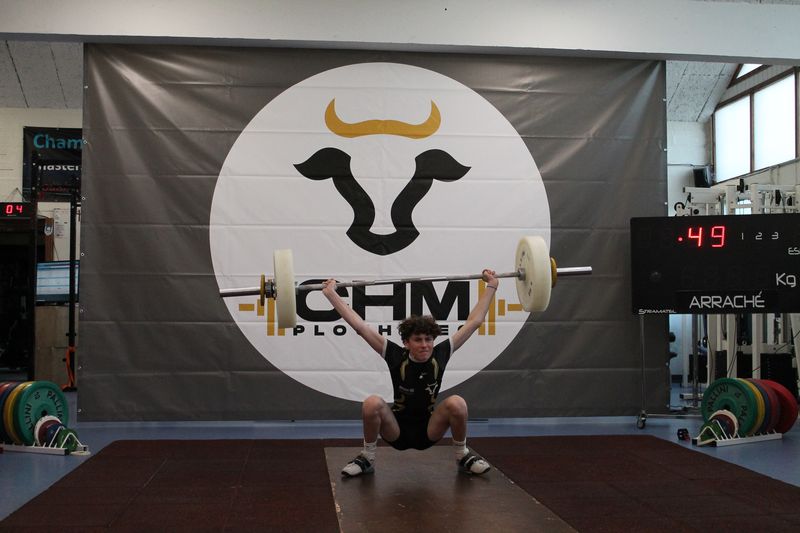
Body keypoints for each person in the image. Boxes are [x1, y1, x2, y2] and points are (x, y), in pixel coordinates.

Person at [321, 269, 500, 477]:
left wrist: (492, 286)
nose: (424, 345)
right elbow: (360, 327)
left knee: (457, 403)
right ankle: (367, 457)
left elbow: (474, 322)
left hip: (429, 430)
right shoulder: (396, 355)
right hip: (396, 430)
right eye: (418, 340)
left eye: (428, 339)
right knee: (372, 403)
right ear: (406, 342)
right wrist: (332, 295)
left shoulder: (441, 353)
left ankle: (462, 455)